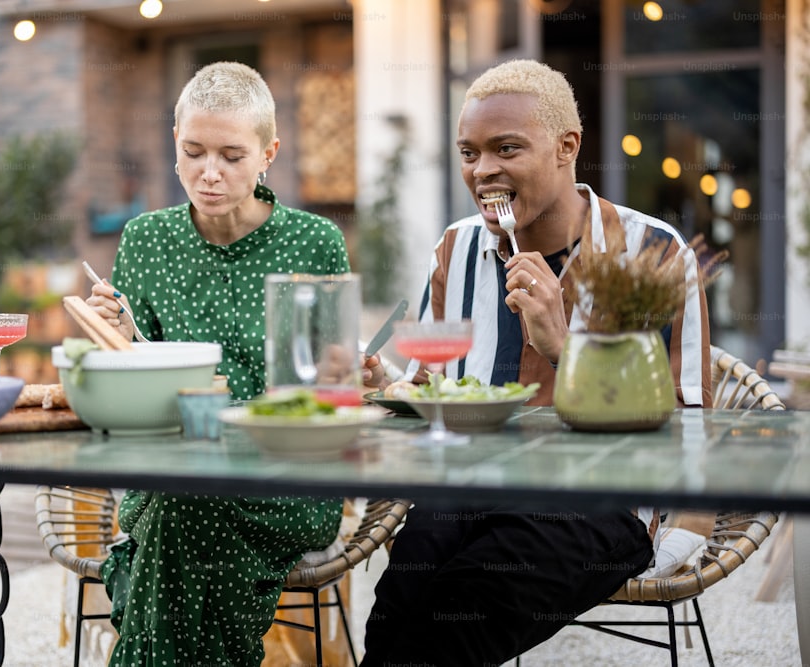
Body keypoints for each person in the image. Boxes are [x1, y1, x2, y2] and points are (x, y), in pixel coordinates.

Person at [359, 59, 712, 665]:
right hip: (470, 485)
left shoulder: (653, 252)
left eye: (506, 149)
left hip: (600, 499)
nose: (482, 171)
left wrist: (561, 345)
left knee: (457, 618)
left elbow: (686, 426)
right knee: (396, 606)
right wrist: (388, 384)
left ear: (566, 146)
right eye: (469, 152)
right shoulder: (457, 246)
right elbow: (434, 389)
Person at [85, 61, 350, 666]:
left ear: (268, 154)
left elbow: (332, 401)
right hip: (171, 476)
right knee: (183, 503)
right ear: (173, 147)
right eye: (193, 151)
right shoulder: (145, 240)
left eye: (232, 155)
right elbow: (130, 400)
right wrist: (121, 342)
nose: (209, 172)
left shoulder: (315, 243)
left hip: (289, 484)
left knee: (179, 517)